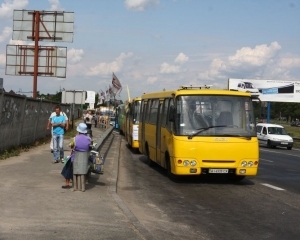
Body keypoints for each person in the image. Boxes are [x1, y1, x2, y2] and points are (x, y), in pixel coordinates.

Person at [61, 123, 91, 189]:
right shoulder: (89, 139)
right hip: (84, 161)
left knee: (67, 168)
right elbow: (89, 147)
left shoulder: (74, 139)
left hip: (75, 159)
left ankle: (67, 183)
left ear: (78, 131)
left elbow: (71, 146)